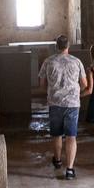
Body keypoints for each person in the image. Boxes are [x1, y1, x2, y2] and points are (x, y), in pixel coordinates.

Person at [38, 34, 87, 180]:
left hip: (55, 103)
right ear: (68, 46)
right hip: (72, 104)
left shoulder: (48, 61)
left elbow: (41, 84)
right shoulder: (76, 62)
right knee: (71, 136)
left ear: (56, 46)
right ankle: (70, 169)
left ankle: (58, 160)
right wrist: (77, 93)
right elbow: (84, 84)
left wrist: (51, 92)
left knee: (57, 134)